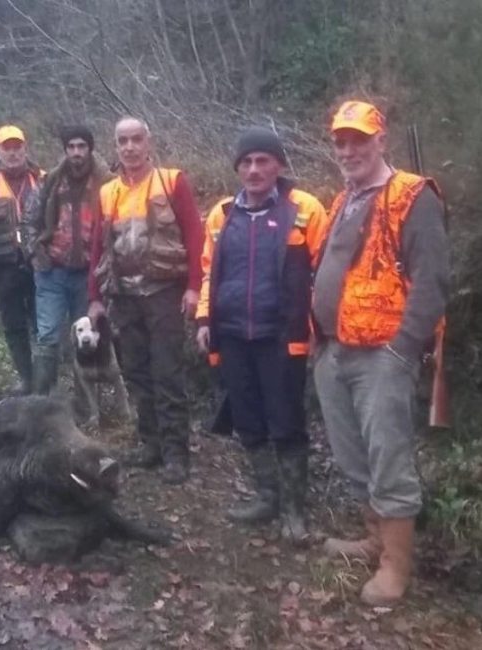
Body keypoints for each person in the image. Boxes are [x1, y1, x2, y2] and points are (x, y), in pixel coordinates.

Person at [313, 101, 450, 606]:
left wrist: (401, 351)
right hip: (334, 352)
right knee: (353, 457)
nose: (349, 150)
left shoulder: (412, 195)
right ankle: (373, 539)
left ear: (381, 139)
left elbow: (433, 281)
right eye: (340, 142)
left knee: (389, 459)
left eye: (358, 139)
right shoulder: (343, 199)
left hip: (382, 357)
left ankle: (396, 566)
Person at [195, 127, 328, 542]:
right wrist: (204, 320)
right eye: (246, 162)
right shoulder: (221, 214)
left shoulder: (304, 208)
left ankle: (294, 512)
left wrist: (322, 327)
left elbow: (326, 271)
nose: (253, 170)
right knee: (248, 418)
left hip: (282, 334)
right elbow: (207, 271)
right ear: (237, 167)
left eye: (262, 161)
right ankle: (266, 496)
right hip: (232, 334)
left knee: (286, 420)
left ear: (279, 165)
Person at [87, 117, 204, 484]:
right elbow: (96, 249)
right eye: (123, 140)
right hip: (123, 294)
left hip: (164, 292)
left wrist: (194, 288)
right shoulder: (108, 192)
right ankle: (151, 444)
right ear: (115, 145)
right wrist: (94, 297)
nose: (130, 147)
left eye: (136, 139)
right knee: (137, 371)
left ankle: (175, 454)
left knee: (167, 371)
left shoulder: (172, 182)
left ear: (148, 142)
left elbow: (196, 236)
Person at [26, 126, 111, 398]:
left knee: (87, 337)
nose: (76, 152)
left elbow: (115, 224)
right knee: (48, 335)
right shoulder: (50, 180)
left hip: (89, 274)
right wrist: (34, 252)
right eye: (71, 146)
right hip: (52, 271)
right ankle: (41, 401)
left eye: (82, 146)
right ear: (65, 150)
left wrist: (107, 265)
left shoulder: (107, 182)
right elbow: (29, 220)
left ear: (90, 148)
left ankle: (85, 404)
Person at [0, 125, 44, 394]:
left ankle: (44, 380)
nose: (13, 152)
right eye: (7, 147)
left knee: (43, 325)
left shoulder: (44, 179)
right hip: (4, 267)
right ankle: (26, 379)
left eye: (17, 147)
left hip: (39, 263)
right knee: (13, 324)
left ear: (25, 148)